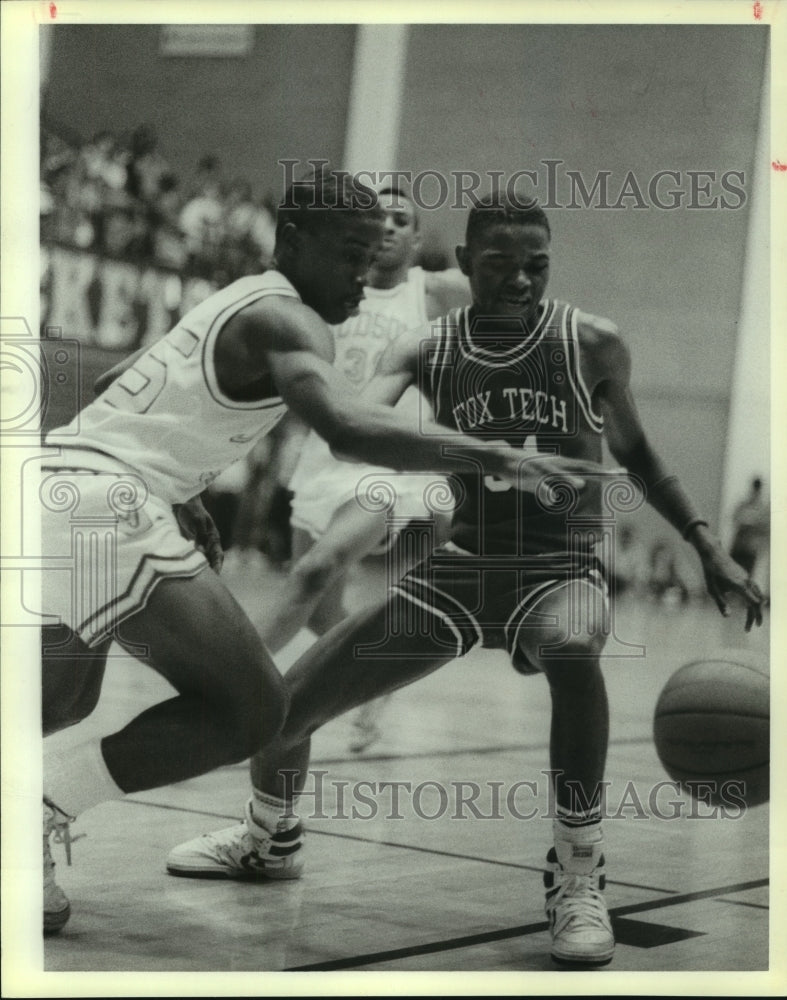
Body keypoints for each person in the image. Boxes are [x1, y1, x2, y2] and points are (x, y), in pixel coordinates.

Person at [167, 194, 764, 967]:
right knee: (280, 713)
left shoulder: (590, 344)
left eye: (536, 265)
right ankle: (269, 837)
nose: (520, 280)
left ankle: (578, 873)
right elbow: (351, 429)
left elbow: (641, 457)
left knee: (573, 647)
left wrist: (705, 546)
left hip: (559, 567)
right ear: (464, 265)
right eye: (500, 265)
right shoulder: (428, 350)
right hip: (459, 570)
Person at [39, 174, 589, 936]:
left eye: (372, 255)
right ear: (291, 243)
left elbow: (114, 385)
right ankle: (35, 810)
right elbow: (347, 429)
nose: (362, 273)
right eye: (347, 254)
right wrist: (495, 452)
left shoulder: (239, 298)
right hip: (105, 504)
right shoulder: (291, 320)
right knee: (254, 710)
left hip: (57, 489)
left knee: (61, 701)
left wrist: (181, 484)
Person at [255, 185, 470, 751]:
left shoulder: (433, 292)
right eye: (382, 219)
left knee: (312, 572)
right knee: (317, 612)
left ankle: (237, 691)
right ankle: (372, 682)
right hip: (323, 457)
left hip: (386, 466)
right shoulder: (332, 290)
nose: (391, 227)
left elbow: (512, 298)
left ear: (418, 238)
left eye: (403, 220)